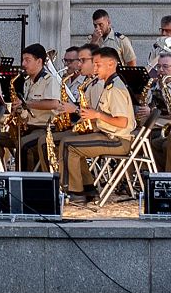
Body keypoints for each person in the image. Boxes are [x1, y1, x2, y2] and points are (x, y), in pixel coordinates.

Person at [53, 48, 136, 203]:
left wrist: (96, 115)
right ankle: (87, 188)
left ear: (111, 64)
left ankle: (75, 192)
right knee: (70, 143)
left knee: (68, 144)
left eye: (98, 64)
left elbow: (122, 122)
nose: (95, 68)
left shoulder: (115, 89)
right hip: (108, 135)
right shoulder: (108, 85)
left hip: (117, 140)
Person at [14, 44, 62, 172]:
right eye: (23, 60)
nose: (23, 63)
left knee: (23, 144)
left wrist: (27, 104)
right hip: (28, 125)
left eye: (27, 60)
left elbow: (54, 104)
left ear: (39, 61)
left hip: (44, 128)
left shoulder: (50, 80)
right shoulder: (27, 81)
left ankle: (27, 182)